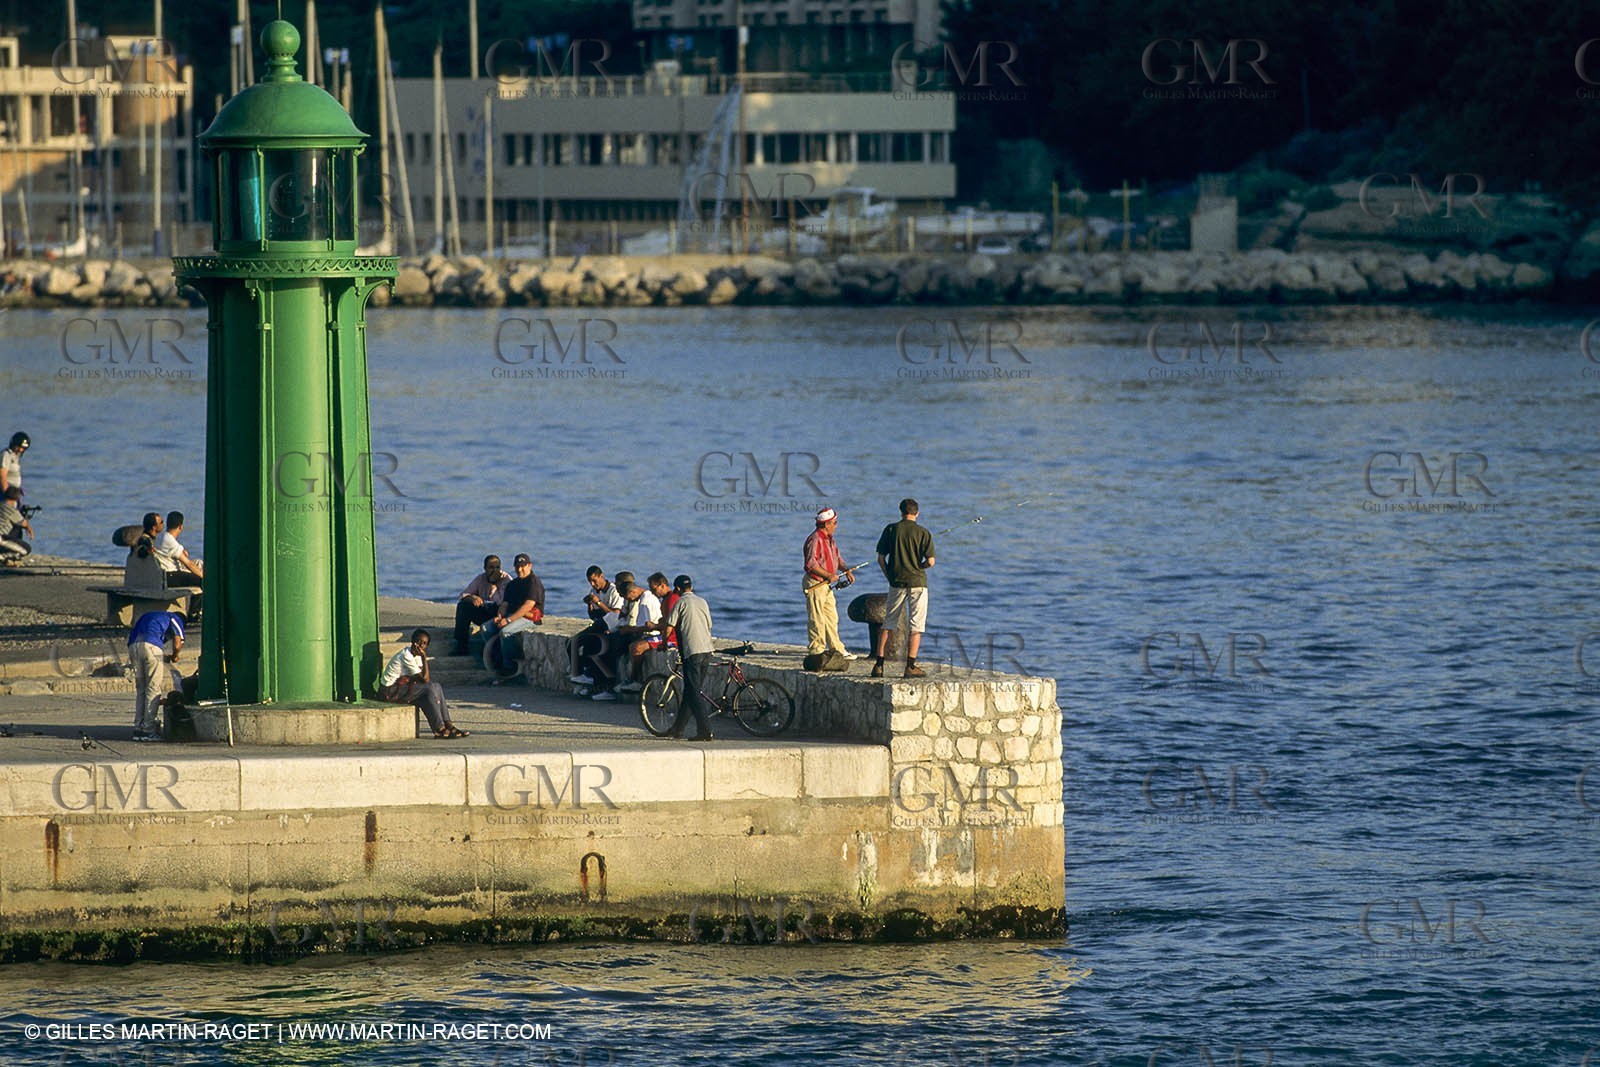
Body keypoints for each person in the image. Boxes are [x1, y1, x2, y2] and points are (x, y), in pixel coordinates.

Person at [870, 497, 936, 679]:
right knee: (916, 625)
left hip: (896, 582)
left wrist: (889, 575)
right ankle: (911, 666)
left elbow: (881, 559)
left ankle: (879, 665)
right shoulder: (924, 532)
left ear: (901, 512)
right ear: (917, 513)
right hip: (918, 583)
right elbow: (931, 562)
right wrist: (919, 566)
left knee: (888, 623)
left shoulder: (891, 529)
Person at [652, 574, 715, 740]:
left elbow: (669, 627)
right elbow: (709, 625)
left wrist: (664, 643)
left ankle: (705, 731)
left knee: (694, 692)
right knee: (690, 691)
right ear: (691, 587)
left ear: (677, 589)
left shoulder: (680, 602)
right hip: (707, 649)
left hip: (692, 651)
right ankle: (678, 729)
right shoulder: (702, 601)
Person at [379, 628, 468, 738]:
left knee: (436, 686)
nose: (421, 645)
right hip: (389, 691)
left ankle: (448, 724)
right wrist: (424, 657)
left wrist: (421, 659)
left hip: (401, 687)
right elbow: (425, 680)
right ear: (412, 641)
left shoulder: (416, 656)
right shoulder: (406, 655)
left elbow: (423, 677)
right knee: (428, 688)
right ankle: (439, 729)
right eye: (419, 641)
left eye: (424, 643)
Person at [802, 507, 854, 665]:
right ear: (826, 524)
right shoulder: (815, 539)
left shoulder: (830, 539)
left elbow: (837, 558)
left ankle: (836, 648)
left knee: (832, 617)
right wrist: (828, 575)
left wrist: (846, 570)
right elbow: (811, 564)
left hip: (826, 585)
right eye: (834, 523)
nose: (836, 525)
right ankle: (816, 650)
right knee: (816, 618)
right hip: (815, 583)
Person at [127, 609, 184, 741]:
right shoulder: (175, 618)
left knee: (141, 689)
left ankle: (138, 728)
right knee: (153, 688)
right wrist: (175, 655)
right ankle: (148, 730)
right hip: (151, 647)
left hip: (133, 647)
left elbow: (146, 643)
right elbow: (177, 643)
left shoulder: (150, 616)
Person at [482, 553, 545, 672]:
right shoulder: (513, 584)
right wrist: (499, 616)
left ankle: (510, 666)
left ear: (529, 566)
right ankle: (497, 659)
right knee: (486, 628)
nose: (520, 569)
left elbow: (528, 606)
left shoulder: (533, 582)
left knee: (506, 632)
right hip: (510, 615)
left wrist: (509, 620)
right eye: (517, 566)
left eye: (523, 566)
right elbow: (505, 604)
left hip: (530, 618)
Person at [607, 575, 663, 697]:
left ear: (633, 592)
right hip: (649, 632)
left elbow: (646, 626)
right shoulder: (643, 597)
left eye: (627, 597)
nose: (629, 600)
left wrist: (628, 629)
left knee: (635, 648)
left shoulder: (644, 601)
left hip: (656, 634)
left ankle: (636, 681)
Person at [569, 566, 625, 685]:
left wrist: (598, 602)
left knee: (586, 644)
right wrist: (590, 604)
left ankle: (582, 674)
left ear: (601, 576)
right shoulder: (593, 591)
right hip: (599, 624)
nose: (593, 584)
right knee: (578, 644)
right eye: (590, 581)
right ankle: (582, 675)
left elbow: (615, 614)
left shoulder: (614, 591)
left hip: (609, 626)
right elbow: (593, 615)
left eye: (594, 580)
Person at [451, 554, 510, 656]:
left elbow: (502, 602)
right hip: (485, 611)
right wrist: (472, 597)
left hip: (500, 614)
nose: (495, 571)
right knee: (463, 606)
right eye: (491, 568)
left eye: (497, 567)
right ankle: (461, 645)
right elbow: (463, 595)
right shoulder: (480, 579)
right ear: (485, 569)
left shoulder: (506, 580)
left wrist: (494, 586)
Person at [155, 510, 204, 588]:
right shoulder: (169, 540)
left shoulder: (160, 536)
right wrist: (204, 578)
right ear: (180, 527)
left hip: (164, 574)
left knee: (199, 563)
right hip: (170, 575)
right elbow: (189, 564)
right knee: (200, 581)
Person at [125, 512, 167, 591]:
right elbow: (141, 552)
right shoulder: (145, 540)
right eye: (161, 522)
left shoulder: (146, 538)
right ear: (154, 527)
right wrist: (148, 551)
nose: (163, 524)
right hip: (147, 580)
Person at [0, 486, 32, 565]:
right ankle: (3, 556)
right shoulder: (11, 510)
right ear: (16, 498)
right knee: (26, 549)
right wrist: (29, 528)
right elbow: (23, 523)